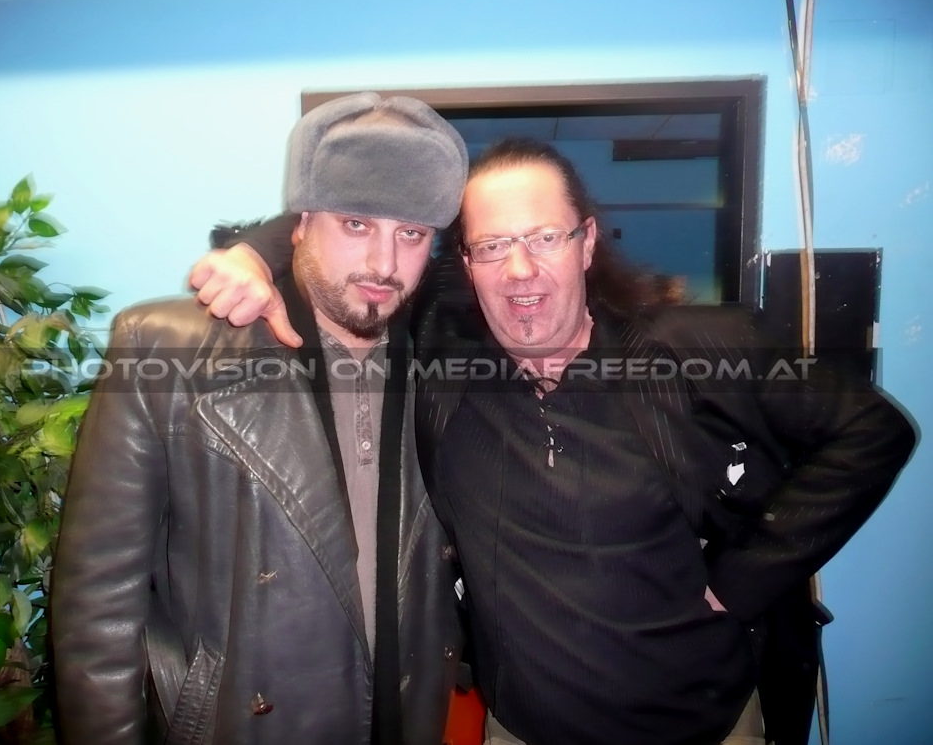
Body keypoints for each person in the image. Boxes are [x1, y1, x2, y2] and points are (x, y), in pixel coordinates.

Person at [190, 138, 917, 745]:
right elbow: (358, 247)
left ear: (587, 242)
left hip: (709, 725)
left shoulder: (691, 349)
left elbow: (872, 431)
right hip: (520, 731)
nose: (519, 268)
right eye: (492, 245)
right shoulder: (446, 363)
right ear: (466, 263)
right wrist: (255, 251)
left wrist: (747, 575)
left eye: (544, 238)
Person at [51, 92, 469, 745]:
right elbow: (98, 604)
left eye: (410, 233)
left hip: (403, 718)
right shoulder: (167, 348)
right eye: (356, 223)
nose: (384, 265)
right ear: (301, 222)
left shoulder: (442, 356)